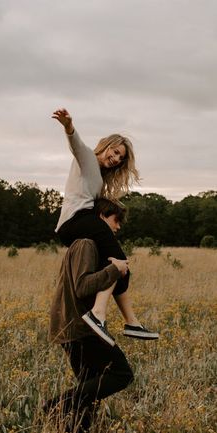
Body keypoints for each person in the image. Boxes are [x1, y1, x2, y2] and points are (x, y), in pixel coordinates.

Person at [52, 108, 159, 345]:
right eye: (116, 152)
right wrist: (68, 125)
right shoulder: (88, 156)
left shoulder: (98, 177)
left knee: (120, 270)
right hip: (75, 221)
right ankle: (98, 314)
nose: (117, 159)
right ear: (107, 145)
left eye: (121, 158)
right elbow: (75, 143)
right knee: (119, 260)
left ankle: (131, 322)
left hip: (80, 222)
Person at [48, 210, 134, 432]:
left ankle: (74, 427)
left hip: (72, 325)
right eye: (116, 221)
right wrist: (114, 270)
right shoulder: (86, 243)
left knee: (89, 389)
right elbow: (82, 286)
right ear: (102, 217)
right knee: (121, 374)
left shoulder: (84, 244)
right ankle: (55, 406)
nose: (118, 227)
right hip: (79, 326)